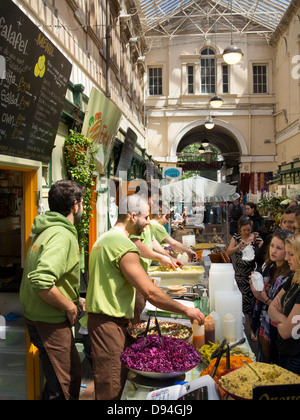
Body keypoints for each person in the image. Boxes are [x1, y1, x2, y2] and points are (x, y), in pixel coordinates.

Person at [86, 194, 205, 400]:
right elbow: (149, 292)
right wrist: (186, 310)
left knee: (115, 383)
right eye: (146, 217)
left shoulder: (104, 239)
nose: (148, 223)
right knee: (112, 388)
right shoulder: (122, 245)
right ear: (133, 216)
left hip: (105, 322)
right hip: (108, 325)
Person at [19, 180, 86, 400]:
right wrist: (68, 305)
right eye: (83, 202)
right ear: (75, 205)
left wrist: (74, 300)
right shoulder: (61, 234)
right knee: (63, 385)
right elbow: (41, 280)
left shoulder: (46, 227)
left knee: (69, 376)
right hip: (49, 321)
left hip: (40, 316)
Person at [251, 229, 293, 363]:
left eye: (279, 248)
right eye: (272, 246)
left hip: (277, 331)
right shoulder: (269, 267)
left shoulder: (290, 277)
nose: (273, 251)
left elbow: (283, 309)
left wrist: (265, 298)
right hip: (263, 324)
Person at [227, 216, 264, 340]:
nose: (247, 232)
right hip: (239, 276)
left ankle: (253, 331)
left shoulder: (256, 237)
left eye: (248, 229)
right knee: (240, 304)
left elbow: (264, 253)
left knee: (252, 305)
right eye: (244, 230)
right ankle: (239, 330)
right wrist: (238, 247)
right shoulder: (236, 238)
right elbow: (228, 253)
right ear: (240, 229)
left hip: (252, 276)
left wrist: (256, 245)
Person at [268, 234, 300, 374]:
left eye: (291, 254)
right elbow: (271, 309)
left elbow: (287, 332)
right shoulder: (294, 277)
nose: (287, 259)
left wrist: (278, 316)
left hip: (295, 359)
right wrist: (283, 319)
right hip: (284, 352)